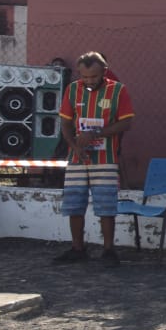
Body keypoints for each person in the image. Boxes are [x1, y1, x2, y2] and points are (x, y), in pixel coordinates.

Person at [53, 52, 135, 266]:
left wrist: (97, 134)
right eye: (85, 77)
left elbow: (126, 122)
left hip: (105, 157)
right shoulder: (72, 90)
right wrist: (74, 146)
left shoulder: (118, 90)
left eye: (94, 76)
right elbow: (65, 124)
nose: (89, 81)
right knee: (74, 203)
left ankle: (108, 250)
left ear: (104, 72)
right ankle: (77, 248)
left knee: (106, 205)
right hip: (77, 158)